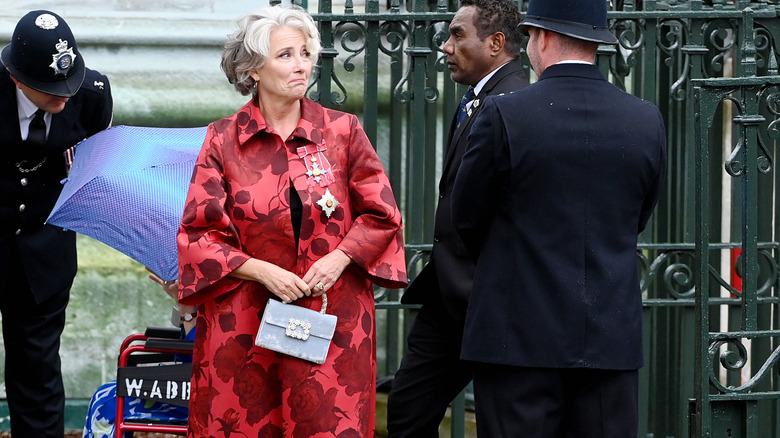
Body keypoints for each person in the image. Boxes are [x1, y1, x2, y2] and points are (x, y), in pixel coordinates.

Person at [176, 5, 407, 437]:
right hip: (244, 322)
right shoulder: (222, 140)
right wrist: (263, 272)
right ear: (253, 69)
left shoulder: (343, 131)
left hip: (332, 317)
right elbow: (199, 234)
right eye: (285, 55)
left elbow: (383, 215)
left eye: (304, 53)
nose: (301, 65)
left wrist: (339, 258)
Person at [451, 0, 667, 436]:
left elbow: (466, 217)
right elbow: (639, 214)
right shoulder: (646, 119)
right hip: (609, 339)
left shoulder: (503, 113)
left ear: (541, 38)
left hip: (516, 338)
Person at [385, 0, 528, 435]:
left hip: (493, 300)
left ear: (496, 43)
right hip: (451, 297)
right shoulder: (476, 99)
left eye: (457, 35)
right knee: (408, 406)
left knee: (498, 419)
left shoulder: (514, 103)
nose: (446, 47)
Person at [0, 10, 113, 437]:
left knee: (39, 370)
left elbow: (89, 158)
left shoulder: (93, 92)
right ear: (15, 77)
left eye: (69, 83)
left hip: (45, 247)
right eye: (50, 91)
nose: (64, 97)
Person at [83, 270, 194, 438]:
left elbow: (200, 356)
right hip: (202, 382)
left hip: (211, 393)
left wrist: (186, 309)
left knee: (107, 402)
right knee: (108, 393)